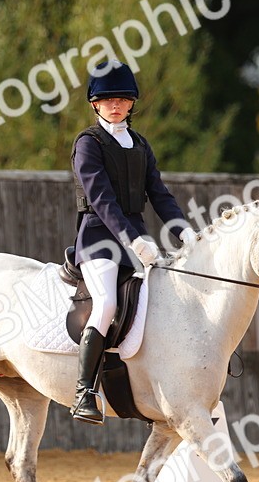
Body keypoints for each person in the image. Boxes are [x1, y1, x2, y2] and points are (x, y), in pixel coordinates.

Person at [69, 60, 196, 425]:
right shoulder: (88, 144)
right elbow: (102, 198)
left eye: (123, 99)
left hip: (136, 238)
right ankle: (84, 392)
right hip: (98, 240)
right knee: (107, 302)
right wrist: (133, 239)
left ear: (131, 103)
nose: (115, 105)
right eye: (107, 99)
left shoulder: (140, 143)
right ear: (95, 103)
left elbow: (159, 192)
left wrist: (182, 230)